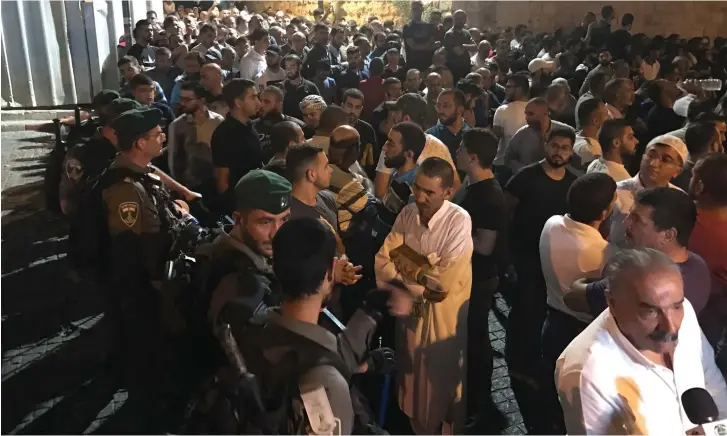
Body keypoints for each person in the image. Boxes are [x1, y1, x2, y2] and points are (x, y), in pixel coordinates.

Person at [556, 248, 727, 435]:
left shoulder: (683, 310)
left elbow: (710, 378)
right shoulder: (588, 374)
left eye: (676, 306)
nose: (670, 326)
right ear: (612, 303)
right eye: (651, 311)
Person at [375, 157, 473, 435]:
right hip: (410, 318)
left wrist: (405, 266)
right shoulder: (407, 214)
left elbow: (442, 284)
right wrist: (422, 271)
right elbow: (383, 260)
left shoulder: (458, 221)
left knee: (440, 387)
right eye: (417, 188)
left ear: (448, 192)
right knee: (410, 384)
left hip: (443, 323)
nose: (420, 196)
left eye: (429, 192)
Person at [102, 107, 182, 432]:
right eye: (156, 134)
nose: (163, 136)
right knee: (146, 346)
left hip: (154, 278)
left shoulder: (142, 171)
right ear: (139, 142)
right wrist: (156, 282)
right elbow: (130, 245)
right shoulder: (124, 188)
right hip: (142, 286)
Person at [504, 127, 578, 433]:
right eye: (554, 146)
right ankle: (520, 359)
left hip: (555, 265)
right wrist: (507, 257)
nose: (558, 152)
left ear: (571, 152)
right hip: (526, 260)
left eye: (564, 148)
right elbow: (506, 215)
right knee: (525, 309)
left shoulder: (574, 183)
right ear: (546, 146)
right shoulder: (525, 178)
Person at [539, 173, 617, 433]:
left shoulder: (551, 224)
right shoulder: (605, 253)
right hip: (582, 332)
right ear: (605, 212)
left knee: (553, 394)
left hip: (552, 323)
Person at [454, 128, 508, 433]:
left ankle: (480, 403)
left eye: (462, 148)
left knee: (476, 340)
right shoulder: (472, 183)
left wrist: (454, 233)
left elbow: (485, 245)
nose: (458, 151)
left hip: (480, 278)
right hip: (468, 275)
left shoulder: (489, 196)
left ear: (473, 157)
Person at [374, 94, 460, 200]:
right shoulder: (438, 145)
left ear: (406, 118)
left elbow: (379, 193)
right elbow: (456, 185)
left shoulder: (392, 146)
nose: (393, 116)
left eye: (396, 112)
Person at [608, 134, 687, 247]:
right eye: (651, 155)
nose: (653, 163)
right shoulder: (616, 192)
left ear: (677, 172)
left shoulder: (680, 200)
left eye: (665, 160)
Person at [211, 79, 263, 215]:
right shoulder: (225, 134)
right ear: (238, 102)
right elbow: (222, 179)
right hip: (240, 207)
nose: (258, 102)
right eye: (253, 97)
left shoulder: (250, 126)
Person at [167, 80, 224, 203]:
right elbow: (173, 162)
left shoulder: (218, 122)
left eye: (187, 100)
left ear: (202, 100)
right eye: (181, 99)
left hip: (216, 184)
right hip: (190, 188)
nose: (182, 103)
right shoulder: (177, 126)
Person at [504, 97, 574, 173]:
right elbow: (509, 157)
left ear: (545, 113)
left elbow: (574, 160)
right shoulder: (522, 133)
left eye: (531, 114)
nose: (527, 118)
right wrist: (526, 171)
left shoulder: (566, 131)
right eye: (526, 113)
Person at [491, 73, 529, 185]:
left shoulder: (502, 110)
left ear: (520, 89)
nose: (505, 90)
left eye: (508, 87)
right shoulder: (536, 109)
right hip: (528, 164)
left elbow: (495, 137)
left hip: (504, 165)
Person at [252, 86, 305, 163]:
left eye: (267, 102)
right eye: (260, 101)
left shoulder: (298, 126)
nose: (261, 105)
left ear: (279, 105)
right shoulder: (251, 128)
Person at [672, 121, 724, 191]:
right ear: (713, 146)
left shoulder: (675, 172)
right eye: (721, 134)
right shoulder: (715, 179)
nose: (724, 138)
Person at [341, 89, 379, 178]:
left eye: (357, 107)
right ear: (342, 105)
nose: (353, 111)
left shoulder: (367, 130)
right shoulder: (334, 127)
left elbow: (372, 162)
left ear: (361, 109)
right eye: (349, 106)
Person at [426, 88, 471, 158]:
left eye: (445, 106)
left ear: (460, 109)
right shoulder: (430, 136)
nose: (440, 111)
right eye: (438, 106)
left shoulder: (471, 135)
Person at [573, 98, 609, 172]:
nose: (610, 117)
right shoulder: (590, 151)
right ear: (595, 121)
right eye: (606, 114)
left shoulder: (576, 137)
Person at [281, 54, 321, 121]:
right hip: (288, 127)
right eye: (286, 67)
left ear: (300, 67)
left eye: (292, 66)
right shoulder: (281, 87)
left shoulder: (311, 87)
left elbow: (319, 108)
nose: (289, 69)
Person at [403, 1, 436, 73]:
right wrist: (428, 44)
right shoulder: (408, 27)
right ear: (411, 10)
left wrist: (424, 46)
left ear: (422, 10)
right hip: (413, 66)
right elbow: (414, 46)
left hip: (428, 65)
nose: (416, 11)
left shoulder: (429, 27)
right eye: (414, 9)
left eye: (419, 9)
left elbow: (433, 46)